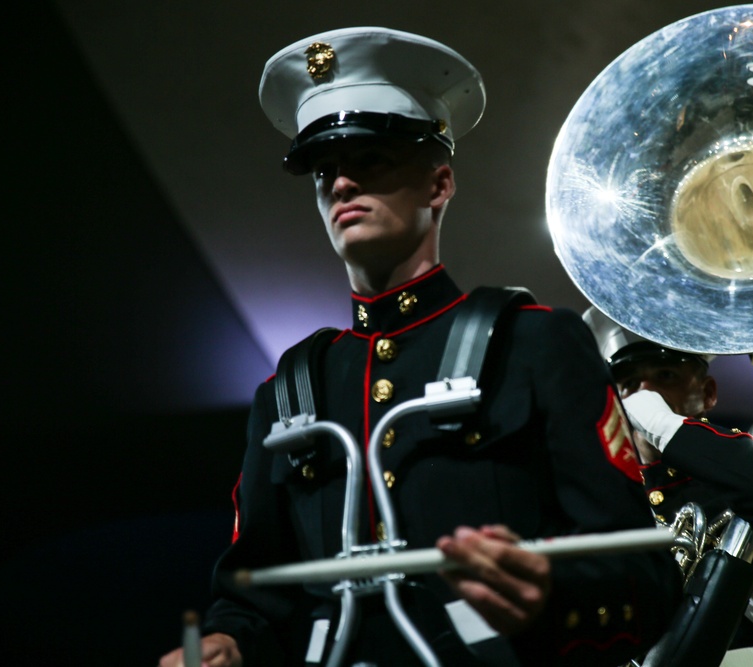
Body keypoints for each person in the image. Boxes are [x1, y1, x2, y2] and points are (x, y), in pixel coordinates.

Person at [159, 27, 681, 667]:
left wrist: (549, 596)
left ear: (439, 184)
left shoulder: (535, 343)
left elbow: (645, 578)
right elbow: (257, 589)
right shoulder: (291, 388)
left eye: (371, 159)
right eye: (325, 170)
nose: (342, 183)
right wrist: (226, 642)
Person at [583, 306, 753, 666]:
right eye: (626, 384)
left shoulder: (749, 472)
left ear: (707, 394)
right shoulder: (605, 504)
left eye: (666, 375)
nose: (644, 394)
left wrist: (666, 427)